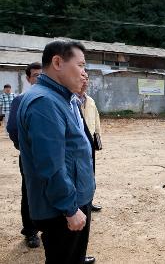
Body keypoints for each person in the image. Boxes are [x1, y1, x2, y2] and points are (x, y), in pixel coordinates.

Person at [17, 41, 96, 264]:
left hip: (73, 195)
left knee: (73, 256)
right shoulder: (45, 103)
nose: (84, 72)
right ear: (58, 62)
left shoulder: (59, 98)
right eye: (80, 65)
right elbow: (50, 165)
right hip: (62, 208)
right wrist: (70, 209)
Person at [6, 62, 42, 248]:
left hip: (51, 156)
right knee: (29, 192)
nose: (39, 78)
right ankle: (30, 231)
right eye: (35, 75)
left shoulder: (51, 97)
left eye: (42, 74)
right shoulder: (21, 99)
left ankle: (49, 225)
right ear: (28, 78)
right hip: (31, 157)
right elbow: (12, 128)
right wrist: (25, 148)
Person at [76, 75, 102, 212]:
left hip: (89, 142)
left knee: (90, 173)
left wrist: (98, 138)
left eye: (86, 79)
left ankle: (89, 202)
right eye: (82, 78)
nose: (85, 81)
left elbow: (96, 120)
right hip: (75, 143)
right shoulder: (71, 99)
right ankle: (76, 205)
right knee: (77, 173)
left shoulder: (90, 101)